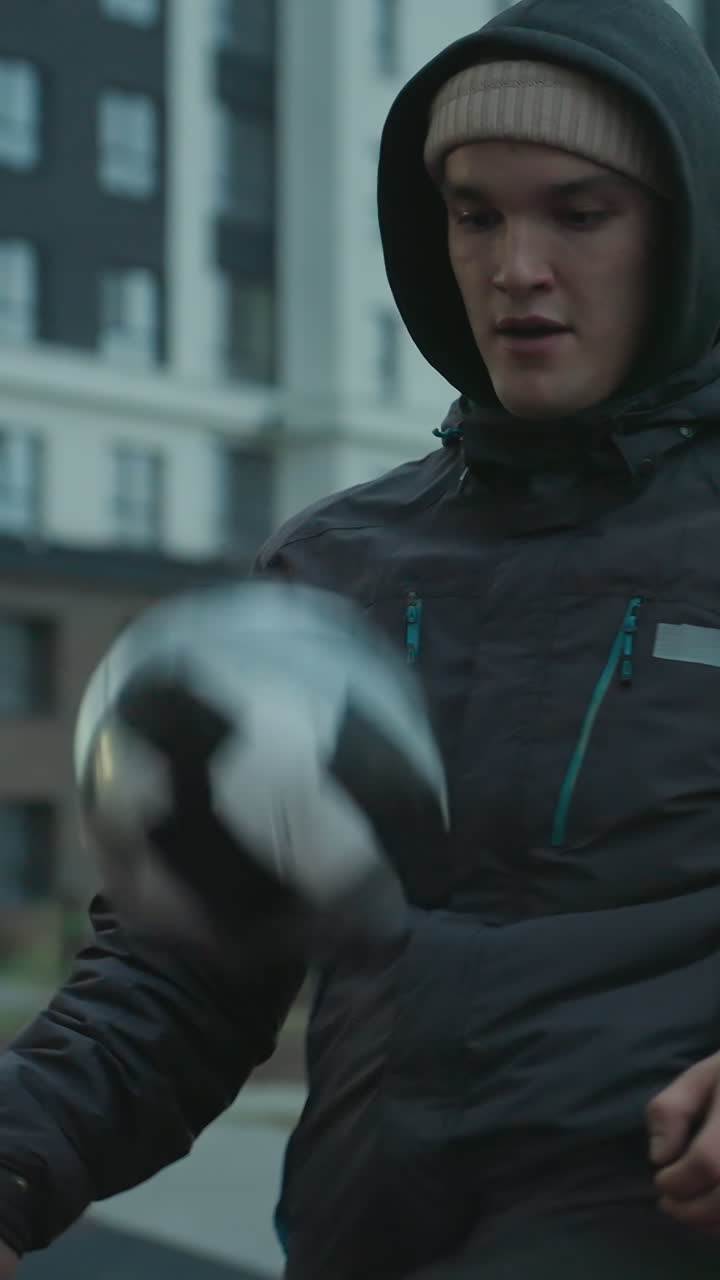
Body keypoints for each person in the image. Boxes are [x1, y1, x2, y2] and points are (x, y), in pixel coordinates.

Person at [3, 0, 720, 1275]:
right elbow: (184, 966)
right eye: (476, 212)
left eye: (580, 211)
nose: (518, 268)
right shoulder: (336, 560)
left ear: (685, 228)